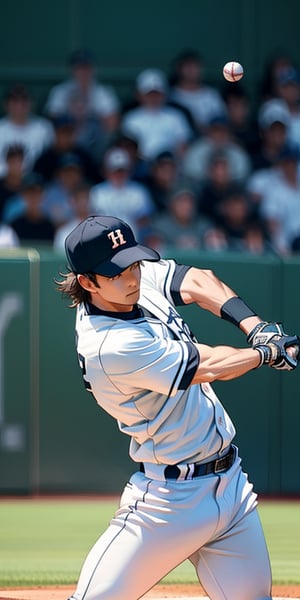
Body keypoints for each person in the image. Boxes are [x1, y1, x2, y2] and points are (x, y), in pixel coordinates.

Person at [58, 214, 299, 600]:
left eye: (134, 263)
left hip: (232, 487)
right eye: (117, 272)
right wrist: (265, 352)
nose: (133, 276)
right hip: (169, 501)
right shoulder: (109, 345)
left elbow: (198, 281)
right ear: (88, 282)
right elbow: (208, 366)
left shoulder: (132, 284)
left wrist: (254, 325)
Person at [44, 48, 120, 161]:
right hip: (68, 138)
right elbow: (53, 119)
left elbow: (112, 124)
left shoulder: (103, 92)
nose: (83, 72)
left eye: (86, 67)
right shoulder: (60, 91)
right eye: (80, 68)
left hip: (94, 142)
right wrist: (74, 117)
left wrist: (86, 116)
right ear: (73, 70)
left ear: (93, 69)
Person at [121, 68, 193, 162]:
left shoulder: (176, 117)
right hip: (140, 165)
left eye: (157, 94)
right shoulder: (131, 118)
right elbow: (129, 149)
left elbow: (183, 146)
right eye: (149, 94)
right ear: (139, 95)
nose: (153, 98)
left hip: (169, 165)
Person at [0, 84, 54, 177]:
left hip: (36, 182)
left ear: (31, 103)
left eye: (24, 100)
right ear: (6, 104)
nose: (19, 105)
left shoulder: (44, 128)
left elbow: (50, 159)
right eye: (15, 101)